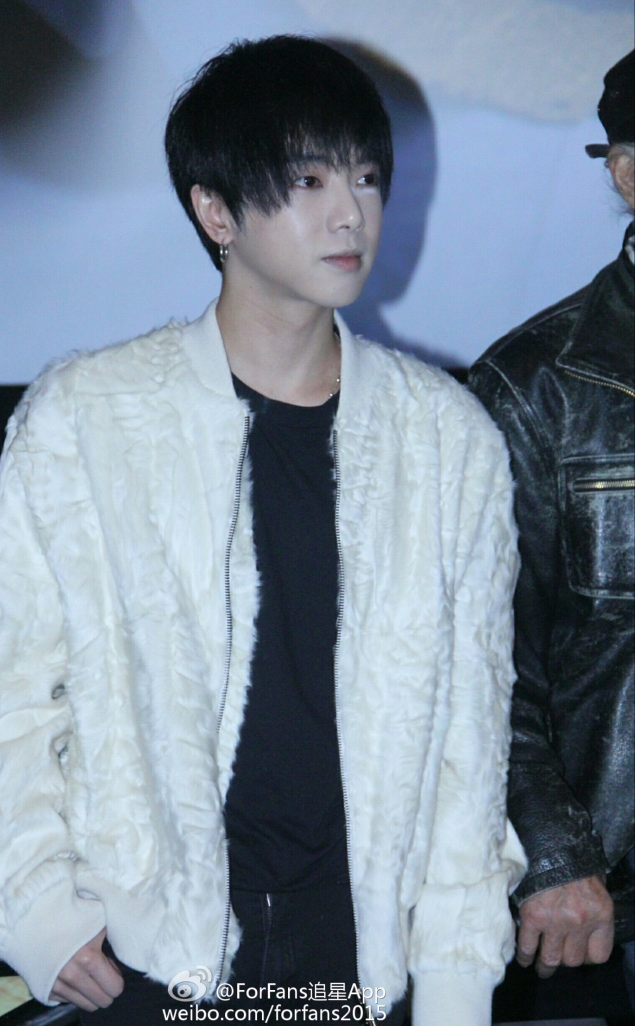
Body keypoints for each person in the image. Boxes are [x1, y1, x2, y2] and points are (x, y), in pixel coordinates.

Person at [0, 36, 524, 1026]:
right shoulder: (90, 416)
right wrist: (38, 909)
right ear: (216, 211)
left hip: (362, 955)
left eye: (366, 177)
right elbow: (0, 689)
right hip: (154, 950)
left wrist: (457, 981)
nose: (350, 212)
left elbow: (473, 741)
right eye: (308, 180)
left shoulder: (444, 440)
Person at [469, 49, 634, 1008]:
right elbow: (485, 660)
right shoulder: (533, 387)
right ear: (626, 172)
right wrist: (553, 854)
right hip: (609, 906)